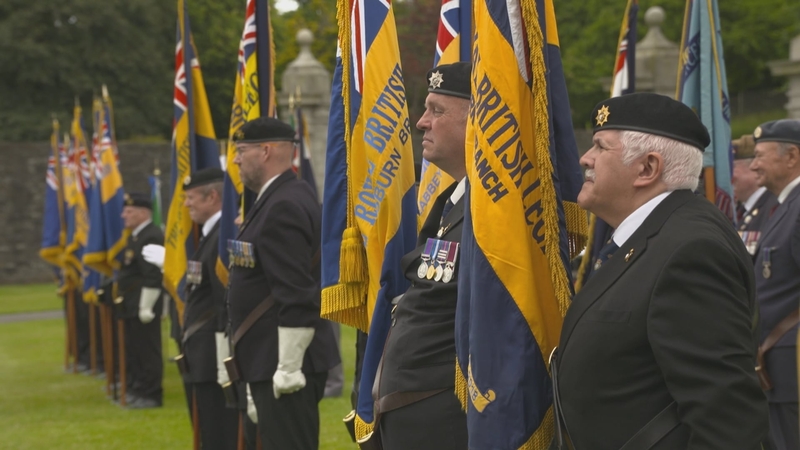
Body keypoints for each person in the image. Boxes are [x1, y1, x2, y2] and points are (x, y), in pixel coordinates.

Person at [552, 93, 768, 449]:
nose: (585, 158)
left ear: (647, 168)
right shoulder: (660, 234)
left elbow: (727, 418)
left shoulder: (691, 251)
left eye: (600, 147)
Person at [227, 117, 340, 450]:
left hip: (285, 364)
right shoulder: (277, 198)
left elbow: (295, 293)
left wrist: (288, 367)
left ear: (265, 151)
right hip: (267, 359)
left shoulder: (284, 205)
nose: (236, 160)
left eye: (241, 151)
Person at [375, 62, 471, 450]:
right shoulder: (453, 202)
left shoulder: (493, 214)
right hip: (416, 411)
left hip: (444, 417)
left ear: (477, 121)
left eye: (436, 110)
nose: (421, 122)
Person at [144, 167, 239, 448]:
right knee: (209, 430)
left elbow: (224, 302)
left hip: (213, 356)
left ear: (212, 197)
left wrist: (223, 359)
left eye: (191, 198)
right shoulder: (210, 236)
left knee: (220, 433)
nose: (185, 205)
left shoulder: (222, 237)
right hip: (202, 355)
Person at [749, 119, 800, 450]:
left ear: (791, 156)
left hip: (792, 365)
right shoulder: (785, 206)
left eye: (759, 156)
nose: (753, 165)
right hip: (779, 367)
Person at [116, 192, 164, 409]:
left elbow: (152, 275)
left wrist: (146, 306)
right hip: (131, 303)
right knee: (134, 348)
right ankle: (137, 388)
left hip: (144, 304)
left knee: (147, 350)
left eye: (129, 211)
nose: (123, 215)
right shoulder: (135, 236)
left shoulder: (151, 236)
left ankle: (151, 393)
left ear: (143, 213)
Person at [732, 134, 778, 236]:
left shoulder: (775, 207)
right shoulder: (738, 210)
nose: (727, 176)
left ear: (754, 167)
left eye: (732, 167)